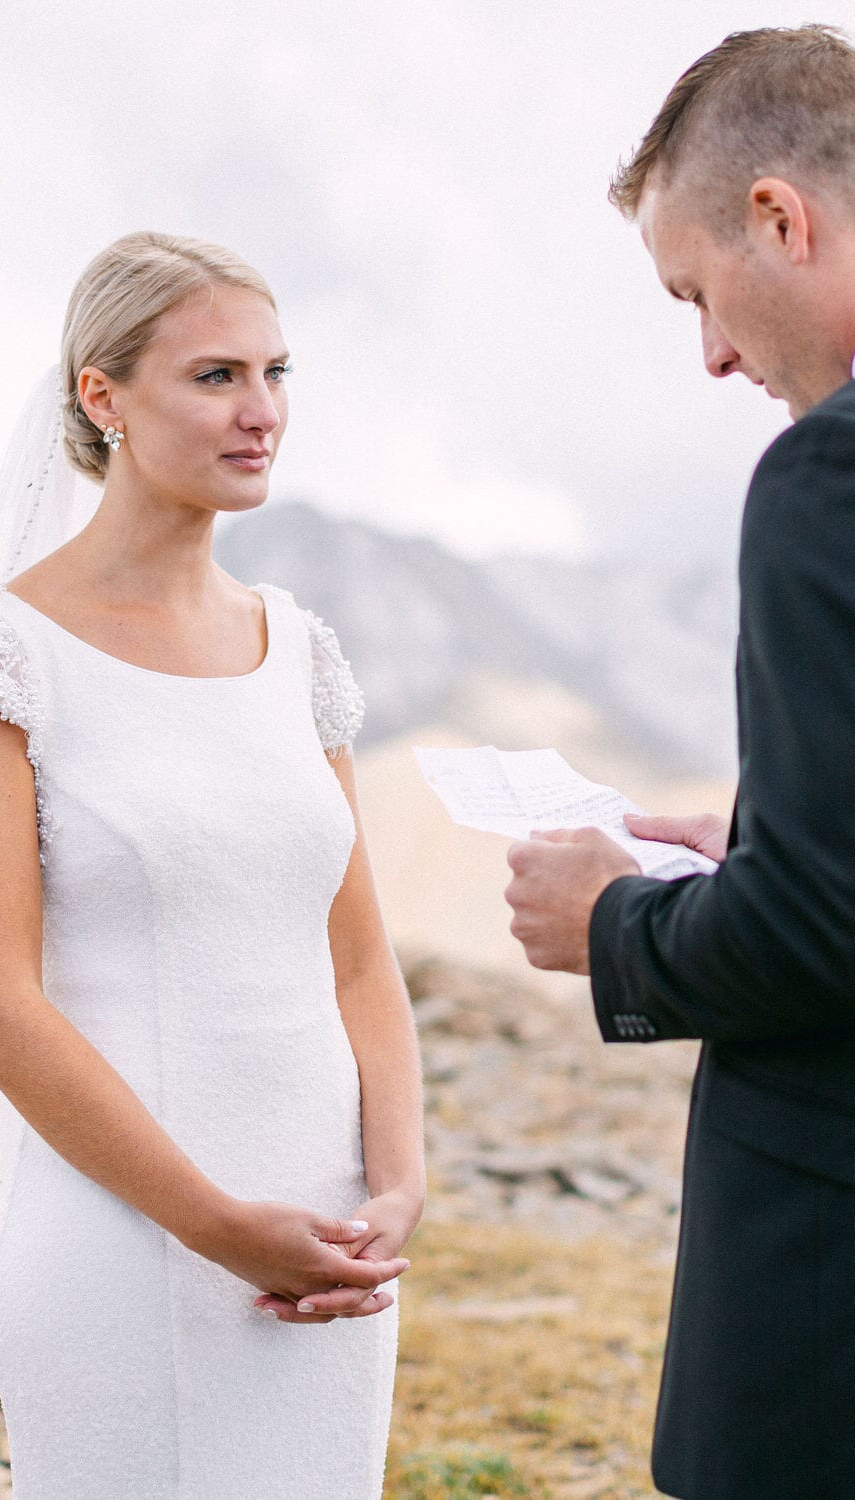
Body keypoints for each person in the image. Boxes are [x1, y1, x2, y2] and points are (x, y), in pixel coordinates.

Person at [0, 231, 424, 1499]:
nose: (263, 414)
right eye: (215, 377)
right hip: (124, 1242)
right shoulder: (3, 652)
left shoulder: (296, 648)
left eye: (277, 372)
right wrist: (213, 1224)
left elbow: (358, 962)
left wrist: (400, 1184)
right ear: (102, 395)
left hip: (327, 1247)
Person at [502, 25, 855, 1500]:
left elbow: (818, 933)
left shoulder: (829, 480)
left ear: (782, 217)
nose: (711, 352)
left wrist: (610, 920)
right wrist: (765, 834)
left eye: (697, 294)